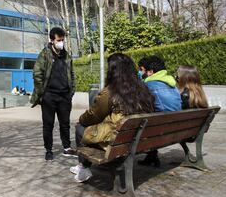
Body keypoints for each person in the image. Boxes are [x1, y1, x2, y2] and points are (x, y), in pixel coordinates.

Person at [71, 53, 155, 182]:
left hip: (118, 141)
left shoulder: (111, 91)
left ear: (113, 71)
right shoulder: (143, 88)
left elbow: (94, 115)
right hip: (139, 139)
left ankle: (83, 167)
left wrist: (81, 120)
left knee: (80, 128)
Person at [30, 27, 76, 161]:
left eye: (62, 40)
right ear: (52, 40)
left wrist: (71, 92)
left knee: (65, 124)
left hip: (64, 96)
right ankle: (48, 150)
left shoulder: (66, 55)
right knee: (48, 124)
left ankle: (67, 148)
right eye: (59, 40)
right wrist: (42, 93)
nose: (61, 43)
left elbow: (72, 74)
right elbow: (37, 74)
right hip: (49, 96)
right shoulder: (44, 54)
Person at [138, 55, 182, 167]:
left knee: (139, 123)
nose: (144, 73)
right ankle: (151, 156)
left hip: (160, 131)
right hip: (178, 129)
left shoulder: (148, 85)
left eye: (146, 71)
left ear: (151, 72)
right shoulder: (173, 85)